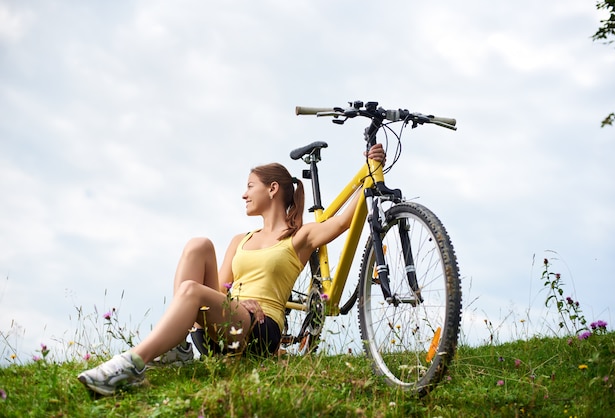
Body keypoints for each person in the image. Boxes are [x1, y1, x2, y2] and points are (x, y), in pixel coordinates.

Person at [77, 144, 386, 396]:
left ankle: (129, 365)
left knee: (190, 290)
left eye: (250, 186)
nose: (244, 194)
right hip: (226, 322)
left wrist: (371, 173)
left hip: (260, 330)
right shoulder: (242, 239)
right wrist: (233, 301)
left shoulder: (299, 238)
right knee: (198, 245)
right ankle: (179, 349)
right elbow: (221, 289)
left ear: (273, 189)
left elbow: (343, 222)